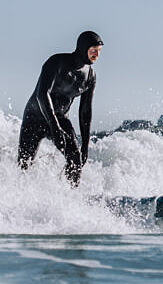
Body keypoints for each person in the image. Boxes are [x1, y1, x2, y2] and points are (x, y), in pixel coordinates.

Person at [18, 31, 104, 186]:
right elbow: (42, 94)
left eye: (99, 51)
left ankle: (69, 199)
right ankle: (18, 197)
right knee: (24, 165)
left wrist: (85, 145)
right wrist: (54, 127)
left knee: (76, 160)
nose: (96, 55)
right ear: (82, 48)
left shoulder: (90, 76)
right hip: (35, 117)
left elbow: (85, 112)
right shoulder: (57, 62)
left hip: (61, 118)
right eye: (93, 50)